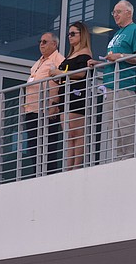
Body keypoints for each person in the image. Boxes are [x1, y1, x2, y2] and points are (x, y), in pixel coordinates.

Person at [89, 0, 136, 162]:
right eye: (113, 12)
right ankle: (118, 163)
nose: (115, 15)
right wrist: (99, 63)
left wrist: (119, 56)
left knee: (126, 128)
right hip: (110, 86)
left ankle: (128, 163)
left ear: (129, 13)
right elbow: (113, 61)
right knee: (114, 129)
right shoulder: (117, 34)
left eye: (118, 12)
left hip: (125, 85)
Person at [22, 32, 65, 176]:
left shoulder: (58, 59)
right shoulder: (38, 61)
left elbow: (64, 83)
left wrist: (56, 104)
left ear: (54, 44)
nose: (41, 44)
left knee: (48, 145)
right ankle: (37, 175)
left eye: (45, 42)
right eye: (40, 41)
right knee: (33, 146)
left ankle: (49, 176)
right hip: (32, 109)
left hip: (48, 109)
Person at [52, 22, 93, 170]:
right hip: (65, 95)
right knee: (69, 135)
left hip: (77, 95)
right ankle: (69, 167)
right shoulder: (71, 55)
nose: (70, 37)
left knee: (76, 133)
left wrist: (60, 73)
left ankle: (75, 167)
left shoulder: (85, 53)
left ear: (82, 35)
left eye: (73, 33)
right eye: (69, 34)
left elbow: (81, 73)